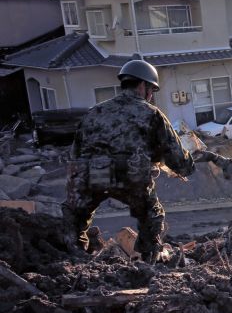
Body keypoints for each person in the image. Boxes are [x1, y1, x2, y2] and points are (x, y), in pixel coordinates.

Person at [64, 59, 196, 261]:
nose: (151, 96)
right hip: (131, 178)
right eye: (151, 90)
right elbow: (178, 160)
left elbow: (75, 155)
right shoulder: (151, 114)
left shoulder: (93, 113)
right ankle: (148, 259)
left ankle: (73, 257)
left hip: (91, 177)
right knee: (152, 215)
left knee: (76, 217)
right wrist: (189, 164)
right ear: (143, 86)